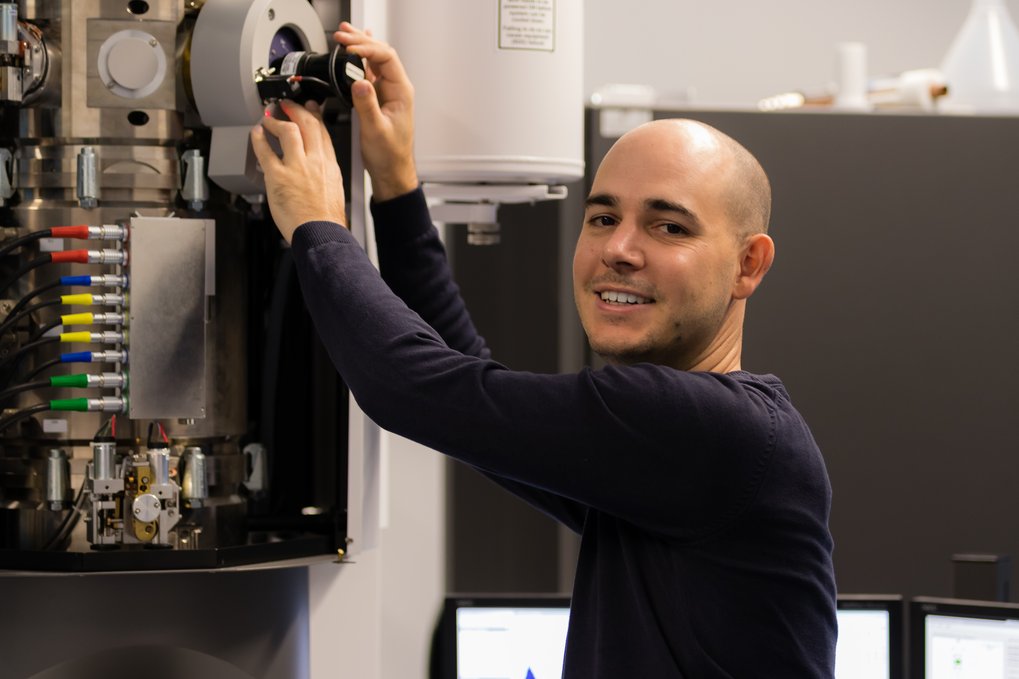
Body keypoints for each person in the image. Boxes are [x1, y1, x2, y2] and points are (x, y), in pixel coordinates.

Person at [251, 23, 837, 678]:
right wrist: (395, 185)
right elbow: (465, 376)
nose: (619, 249)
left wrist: (316, 225)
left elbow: (412, 388)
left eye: (667, 226)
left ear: (747, 265)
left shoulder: (707, 429)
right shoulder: (675, 465)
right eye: (603, 217)